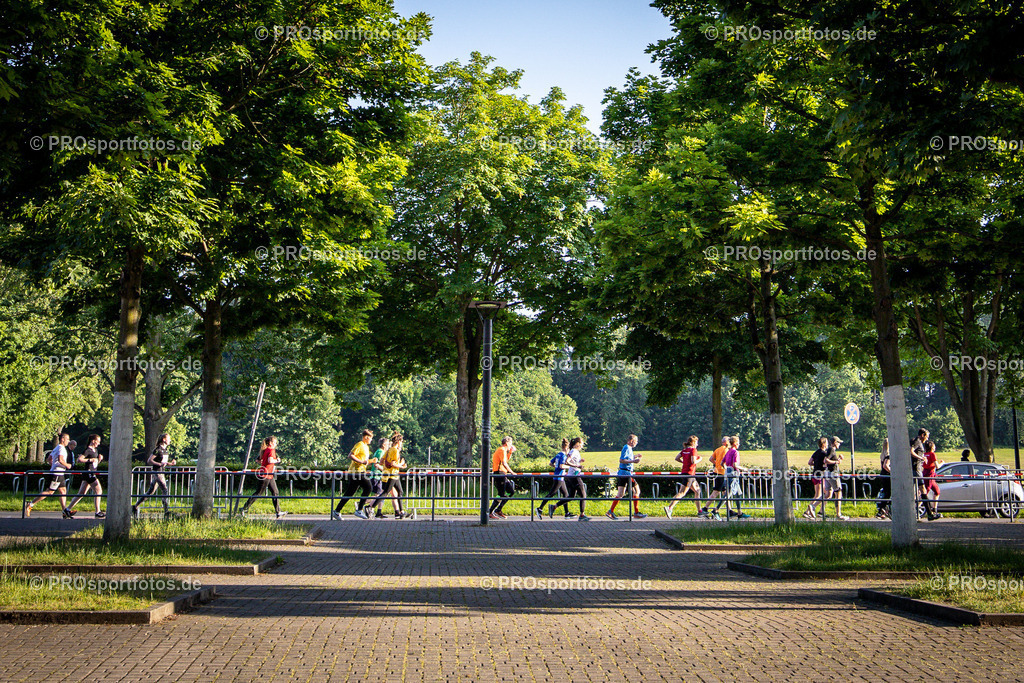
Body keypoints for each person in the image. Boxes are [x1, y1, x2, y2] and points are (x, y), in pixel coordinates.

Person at [24, 433, 75, 518]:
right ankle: (30, 504)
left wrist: (53, 465)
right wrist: (67, 465)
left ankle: (64, 511)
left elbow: (49, 459)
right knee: (50, 492)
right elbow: (60, 459)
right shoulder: (61, 448)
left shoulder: (56, 448)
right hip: (57, 473)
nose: (68, 441)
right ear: (62, 439)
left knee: (63, 491)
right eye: (67, 439)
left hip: (59, 473)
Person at [239, 436, 288, 519]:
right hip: (265, 474)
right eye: (275, 442)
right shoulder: (271, 450)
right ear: (271, 443)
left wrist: (264, 463)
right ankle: (244, 508)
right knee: (259, 493)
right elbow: (270, 460)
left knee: (275, 492)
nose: (276, 444)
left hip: (268, 474)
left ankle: (278, 512)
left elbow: (258, 460)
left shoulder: (265, 450)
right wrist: (277, 460)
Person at [332, 430, 374, 520]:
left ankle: (337, 511)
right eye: (371, 438)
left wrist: (371, 461)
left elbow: (364, 461)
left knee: (350, 492)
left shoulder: (366, 447)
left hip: (359, 471)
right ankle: (359, 509)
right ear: (366, 437)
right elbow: (350, 455)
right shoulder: (360, 444)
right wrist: (362, 461)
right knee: (368, 487)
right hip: (357, 472)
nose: (371, 440)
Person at [132, 433, 175, 518]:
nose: (170, 440)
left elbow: (164, 462)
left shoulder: (165, 450)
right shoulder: (157, 450)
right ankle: (166, 511)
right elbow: (149, 460)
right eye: (168, 438)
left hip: (161, 472)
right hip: (157, 472)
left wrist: (171, 463)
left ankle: (135, 506)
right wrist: (159, 464)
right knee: (165, 490)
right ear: (164, 439)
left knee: (150, 492)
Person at [367, 433, 408, 518]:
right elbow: (393, 464)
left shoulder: (389, 450)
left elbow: (381, 461)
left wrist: (386, 467)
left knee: (399, 492)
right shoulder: (395, 451)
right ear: (398, 442)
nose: (401, 443)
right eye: (401, 442)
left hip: (390, 474)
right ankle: (371, 507)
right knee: (385, 492)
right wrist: (402, 465)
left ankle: (401, 512)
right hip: (392, 474)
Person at [607, 434, 647, 519]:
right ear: (632, 441)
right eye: (636, 441)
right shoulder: (626, 447)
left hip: (622, 473)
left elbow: (627, 458)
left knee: (620, 493)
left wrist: (635, 456)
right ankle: (636, 512)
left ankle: (610, 511)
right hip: (626, 474)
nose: (637, 443)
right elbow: (622, 460)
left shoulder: (629, 448)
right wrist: (633, 461)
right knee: (637, 491)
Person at [713, 436, 750, 519]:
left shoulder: (728, 451)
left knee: (733, 494)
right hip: (734, 475)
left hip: (728, 474)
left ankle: (739, 513)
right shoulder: (735, 452)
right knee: (731, 494)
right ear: (735, 443)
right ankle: (716, 510)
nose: (739, 444)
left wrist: (727, 469)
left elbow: (722, 463)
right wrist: (744, 469)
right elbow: (735, 465)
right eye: (738, 443)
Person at [68, 434, 104, 518]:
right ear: (93, 441)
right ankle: (97, 511)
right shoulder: (88, 450)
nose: (99, 443)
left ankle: (67, 509)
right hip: (89, 473)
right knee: (98, 491)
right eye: (98, 441)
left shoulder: (95, 450)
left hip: (91, 472)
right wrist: (90, 459)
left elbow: (94, 464)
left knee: (81, 493)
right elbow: (79, 459)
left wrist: (99, 460)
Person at [665, 436, 702, 519]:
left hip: (687, 473)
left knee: (697, 491)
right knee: (682, 493)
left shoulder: (684, 450)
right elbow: (693, 461)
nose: (697, 444)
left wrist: (684, 462)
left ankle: (700, 511)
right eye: (696, 443)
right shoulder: (693, 450)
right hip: (689, 473)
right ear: (693, 443)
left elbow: (677, 458)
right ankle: (669, 507)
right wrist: (700, 459)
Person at [555, 437, 589, 521]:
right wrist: (577, 466)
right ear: (578, 444)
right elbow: (567, 461)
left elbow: (572, 461)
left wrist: (579, 461)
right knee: (583, 495)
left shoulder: (574, 451)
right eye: (581, 444)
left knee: (571, 496)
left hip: (571, 475)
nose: (582, 446)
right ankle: (582, 515)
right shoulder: (574, 451)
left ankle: (554, 506)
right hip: (574, 476)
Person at [537, 439, 572, 518]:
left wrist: (556, 467)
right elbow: (561, 466)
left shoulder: (558, 454)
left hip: (559, 476)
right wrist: (570, 467)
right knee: (551, 493)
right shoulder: (563, 456)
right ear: (567, 448)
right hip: (559, 477)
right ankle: (540, 508)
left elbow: (550, 463)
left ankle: (567, 513)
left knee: (566, 495)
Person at [698, 437, 729, 520]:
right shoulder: (726, 450)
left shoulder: (718, 449)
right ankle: (705, 508)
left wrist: (716, 464)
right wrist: (725, 467)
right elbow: (725, 462)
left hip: (716, 471)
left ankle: (729, 510)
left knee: (725, 493)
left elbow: (711, 459)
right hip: (722, 472)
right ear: (727, 443)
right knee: (716, 492)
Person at [488, 436, 517, 519]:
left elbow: (505, 460)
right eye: (510, 443)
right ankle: (490, 511)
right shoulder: (502, 450)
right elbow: (504, 462)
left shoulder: (504, 450)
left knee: (510, 491)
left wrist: (510, 452)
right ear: (507, 443)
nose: (511, 445)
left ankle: (498, 509)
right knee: (500, 494)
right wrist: (512, 472)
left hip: (503, 473)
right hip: (499, 473)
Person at [802, 437, 830, 520]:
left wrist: (816, 464)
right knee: (818, 495)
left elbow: (810, 462)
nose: (828, 444)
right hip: (820, 475)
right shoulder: (824, 453)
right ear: (824, 444)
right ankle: (808, 511)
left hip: (814, 474)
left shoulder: (816, 452)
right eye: (827, 442)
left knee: (825, 493)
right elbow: (826, 463)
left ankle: (821, 511)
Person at [368, 437, 395, 519]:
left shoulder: (381, 452)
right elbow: (376, 464)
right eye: (387, 444)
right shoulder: (380, 452)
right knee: (379, 495)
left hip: (380, 476)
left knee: (382, 494)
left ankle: (378, 512)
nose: (389, 445)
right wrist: (385, 470)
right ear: (383, 445)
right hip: (377, 476)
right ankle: (364, 504)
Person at [824, 436, 848, 520]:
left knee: (828, 494)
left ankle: (816, 508)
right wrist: (836, 461)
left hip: (828, 473)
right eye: (839, 443)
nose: (839, 444)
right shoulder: (831, 449)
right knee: (838, 493)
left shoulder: (830, 450)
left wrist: (838, 459)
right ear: (835, 442)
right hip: (832, 474)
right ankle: (838, 515)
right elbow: (826, 460)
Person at [922, 440, 944, 520]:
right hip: (930, 474)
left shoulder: (924, 454)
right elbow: (937, 466)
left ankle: (934, 510)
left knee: (937, 491)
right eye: (934, 446)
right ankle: (916, 506)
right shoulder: (932, 454)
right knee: (925, 492)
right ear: (932, 447)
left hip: (926, 473)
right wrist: (942, 463)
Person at [911, 428, 929, 518]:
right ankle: (930, 513)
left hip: (917, 468)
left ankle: (914, 512)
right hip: (916, 469)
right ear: (922, 435)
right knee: (923, 490)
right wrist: (921, 458)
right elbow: (911, 451)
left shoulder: (916, 441)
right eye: (927, 436)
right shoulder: (917, 441)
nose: (927, 439)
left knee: (916, 491)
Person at [875, 438, 891, 519]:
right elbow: (886, 466)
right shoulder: (889, 455)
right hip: (887, 475)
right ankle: (881, 509)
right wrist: (892, 472)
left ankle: (882, 509)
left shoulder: (882, 454)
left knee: (885, 492)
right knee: (888, 492)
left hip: (883, 475)